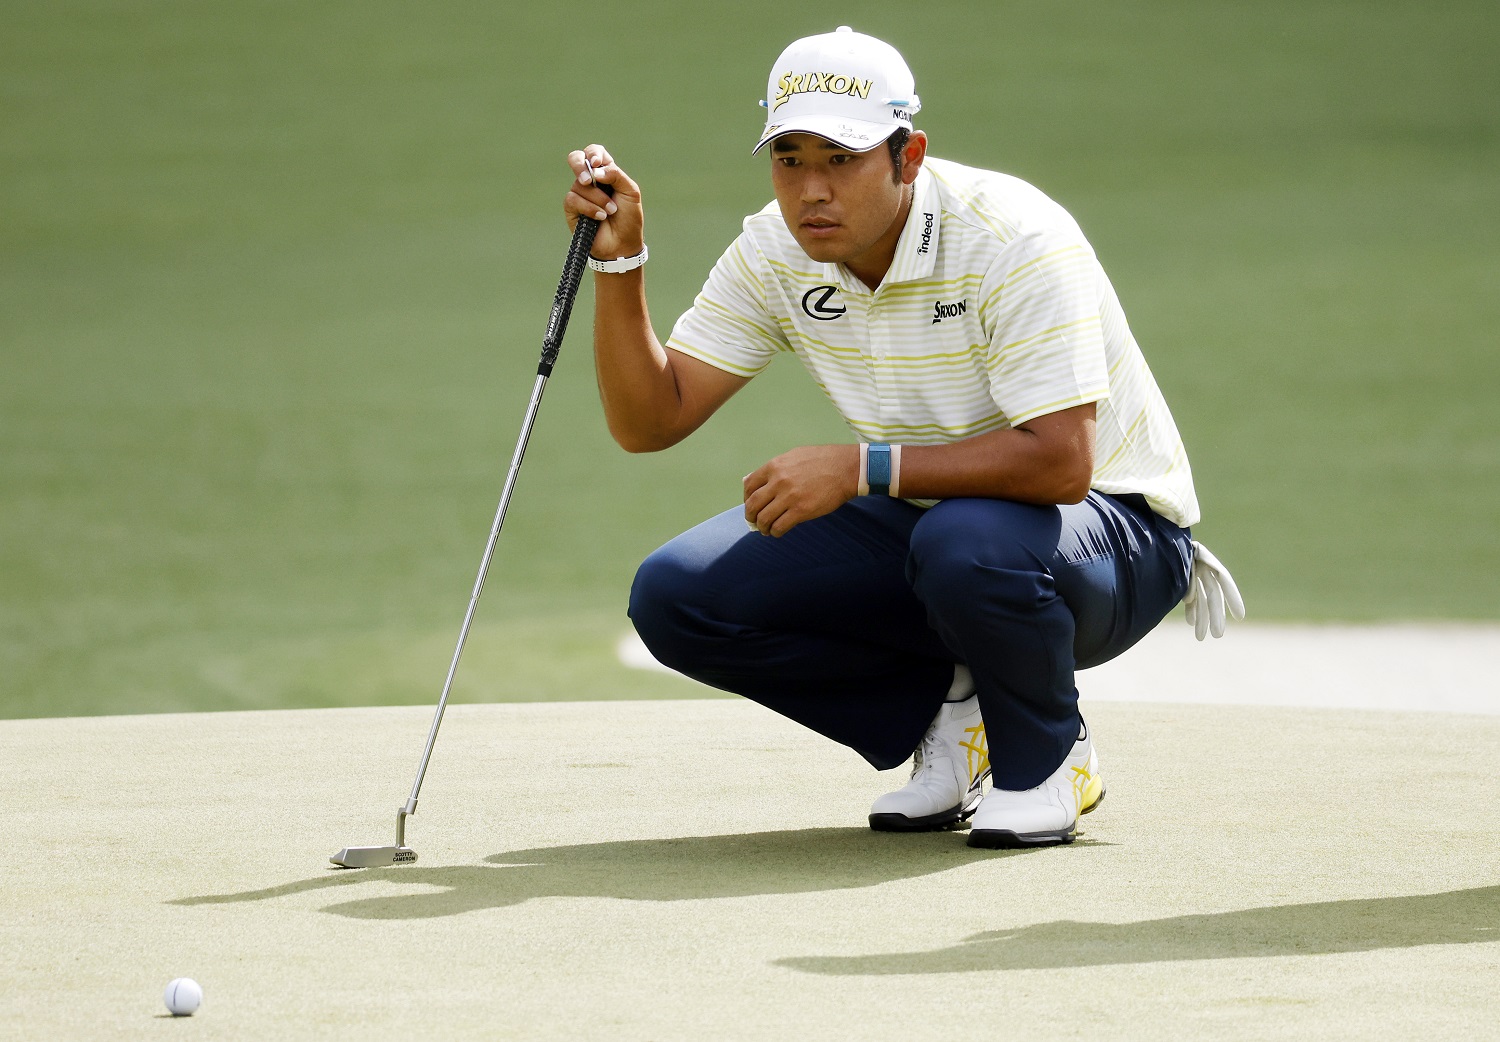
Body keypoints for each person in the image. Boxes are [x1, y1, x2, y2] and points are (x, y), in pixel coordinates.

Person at [562, 26, 1243, 849]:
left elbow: (1064, 462)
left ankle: (1049, 763)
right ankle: (951, 721)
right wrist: (620, 264)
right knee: (679, 596)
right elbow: (652, 419)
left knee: (966, 541)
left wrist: (861, 466)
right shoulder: (774, 251)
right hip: (936, 524)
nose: (811, 190)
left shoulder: (1012, 237)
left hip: (1115, 535)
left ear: (908, 156)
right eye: (790, 159)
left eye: (841, 160)